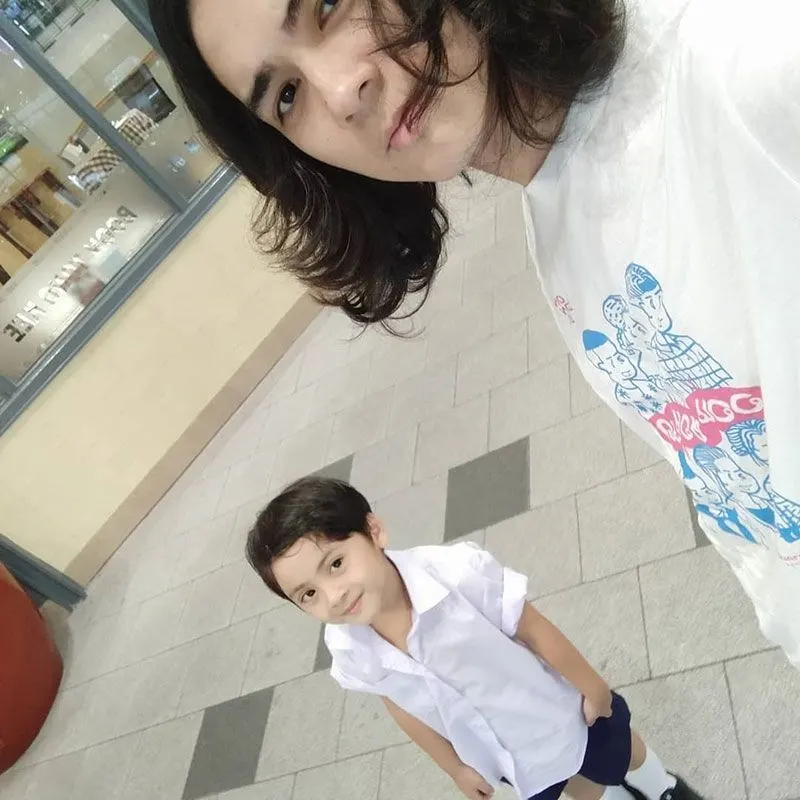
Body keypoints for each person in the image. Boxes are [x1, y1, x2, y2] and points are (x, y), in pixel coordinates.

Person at [147, 0, 800, 665]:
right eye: (287, 96)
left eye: (329, 6)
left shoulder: (747, 64)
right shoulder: (554, 193)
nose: (341, 93)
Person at [247, 477, 703, 800]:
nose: (333, 595)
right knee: (579, 787)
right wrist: (454, 768)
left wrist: (594, 687)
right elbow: (398, 703)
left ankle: (660, 784)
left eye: (335, 564)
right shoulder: (348, 648)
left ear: (374, 531)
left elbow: (532, 628)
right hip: (503, 753)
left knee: (620, 749)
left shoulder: (456, 574)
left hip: (559, 713)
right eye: (308, 594)